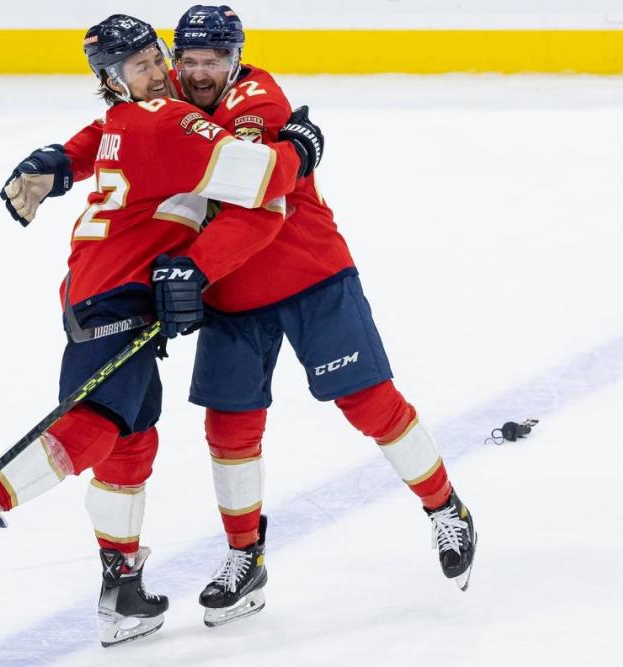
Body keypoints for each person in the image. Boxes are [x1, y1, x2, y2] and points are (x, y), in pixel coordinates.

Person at [0, 13, 325, 647]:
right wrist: (303, 145)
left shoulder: (126, 119)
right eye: (139, 68)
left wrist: (55, 164)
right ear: (112, 79)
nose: (156, 72)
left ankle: (122, 592)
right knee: (96, 425)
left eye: (157, 58)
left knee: (132, 442)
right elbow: (264, 179)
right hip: (119, 292)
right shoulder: (176, 120)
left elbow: (97, 138)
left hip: (98, 288)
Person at [148, 5, 478, 627]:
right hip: (230, 295)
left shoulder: (258, 97)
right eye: (188, 61)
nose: (199, 73)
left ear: (236, 58)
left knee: (370, 404)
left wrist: (193, 259)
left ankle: (445, 510)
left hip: (311, 277)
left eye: (212, 61)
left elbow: (251, 188)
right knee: (229, 427)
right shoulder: (166, 104)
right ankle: (247, 560)